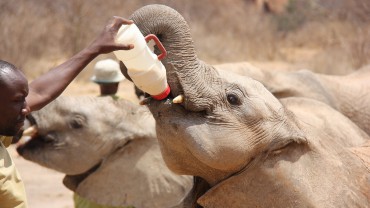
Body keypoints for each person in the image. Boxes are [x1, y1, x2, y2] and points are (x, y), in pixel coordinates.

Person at [0, 16, 134, 208]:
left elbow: (40, 91)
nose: (26, 108)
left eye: (24, 98)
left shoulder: (5, 116)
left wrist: (94, 48)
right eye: (16, 101)